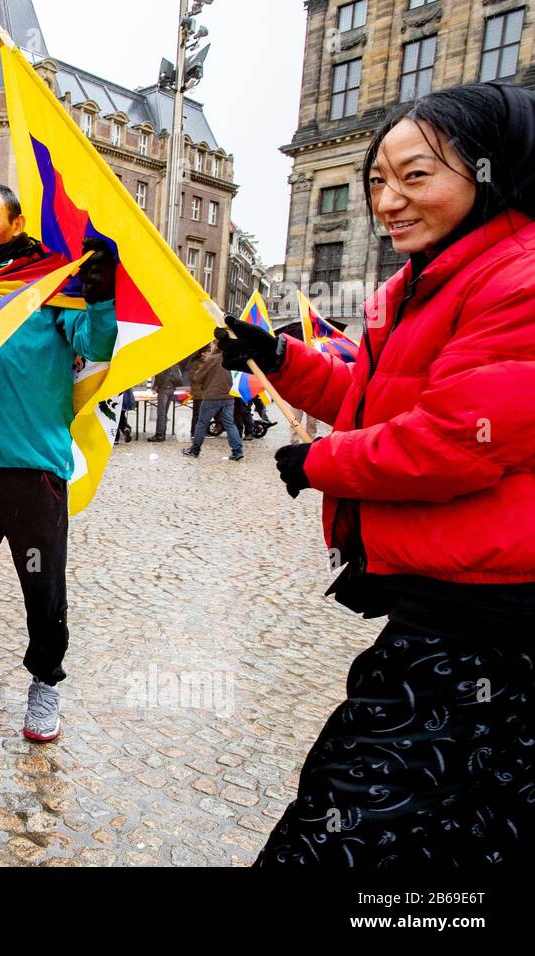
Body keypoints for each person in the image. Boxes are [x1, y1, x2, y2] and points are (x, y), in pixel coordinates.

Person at [218, 83, 535, 865]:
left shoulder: (519, 276)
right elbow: (368, 397)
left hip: (490, 632)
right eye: (377, 180)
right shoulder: (422, 281)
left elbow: (455, 441)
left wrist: (318, 461)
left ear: (492, 172)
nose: (388, 201)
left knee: (345, 832)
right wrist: (279, 356)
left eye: (417, 176)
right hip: (439, 611)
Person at [0, 181, 118, 742]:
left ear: (14, 224)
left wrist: (102, 293)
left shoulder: (49, 287)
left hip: (33, 469)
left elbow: (98, 343)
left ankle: (45, 683)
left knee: (42, 585)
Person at [183, 341, 243, 460]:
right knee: (230, 424)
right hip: (228, 396)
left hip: (212, 396)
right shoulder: (233, 358)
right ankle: (237, 451)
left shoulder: (213, 359)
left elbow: (198, 377)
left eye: (212, 345)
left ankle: (195, 450)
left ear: (217, 346)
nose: (211, 347)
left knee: (202, 423)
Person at [147, 363, 182, 442]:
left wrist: (156, 387)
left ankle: (160, 435)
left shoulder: (162, 363)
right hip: (171, 389)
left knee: (161, 413)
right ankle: (162, 433)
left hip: (164, 389)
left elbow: (160, 377)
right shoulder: (174, 363)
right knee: (164, 412)